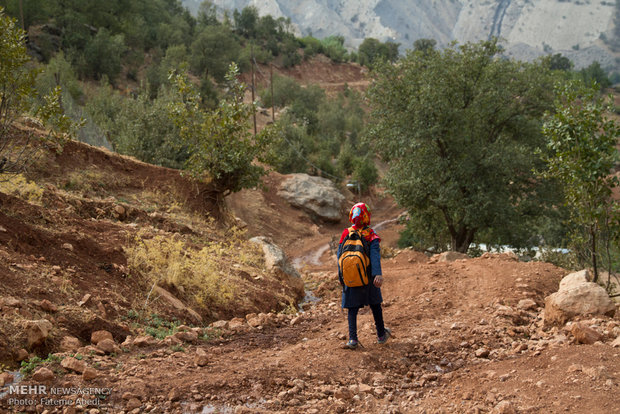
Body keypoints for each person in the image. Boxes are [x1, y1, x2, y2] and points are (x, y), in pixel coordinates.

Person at [337, 202, 391, 349]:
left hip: (351, 277)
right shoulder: (370, 234)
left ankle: (353, 340)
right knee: (375, 306)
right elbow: (374, 256)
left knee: (352, 309)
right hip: (368, 278)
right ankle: (381, 335)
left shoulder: (346, 233)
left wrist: (341, 277)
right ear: (367, 216)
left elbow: (340, 257)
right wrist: (377, 274)